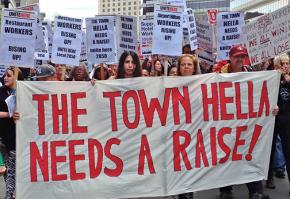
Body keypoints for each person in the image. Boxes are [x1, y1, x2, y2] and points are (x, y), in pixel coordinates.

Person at [216, 45, 274, 199]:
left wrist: (272, 107)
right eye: (237, 56)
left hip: (247, 123)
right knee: (227, 155)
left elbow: (263, 94)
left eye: (242, 56)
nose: (240, 59)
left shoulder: (252, 74)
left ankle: (256, 191)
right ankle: (225, 190)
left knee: (250, 154)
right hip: (226, 123)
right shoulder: (217, 75)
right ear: (230, 57)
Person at [177, 54, 200, 199]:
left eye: (189, 64)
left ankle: (187, 194)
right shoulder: (170, 83)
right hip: (175, 133)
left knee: (189, 165)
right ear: (179, 67)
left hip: (194, 132)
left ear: (194, 68)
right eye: (183, 64)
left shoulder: (201, 83)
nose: (186, 67)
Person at [267, 54, 290, 194]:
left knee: (288, 151)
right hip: (272, 121)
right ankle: (269, 177)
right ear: (276, 67)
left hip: (287, 121)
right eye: (282, 64)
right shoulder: (270, 80)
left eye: (287, 64)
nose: (285, 67)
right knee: (268, 150)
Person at [0, 66, 23, 199]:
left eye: (9, 75)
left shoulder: (24, 91)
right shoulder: (1, 92)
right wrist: (10, 114)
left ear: (16, 77)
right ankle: (10, 195)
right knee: (9, 173)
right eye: (4, 75)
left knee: (17, 173)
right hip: (5, 140)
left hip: (21, 138)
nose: (5, 77)